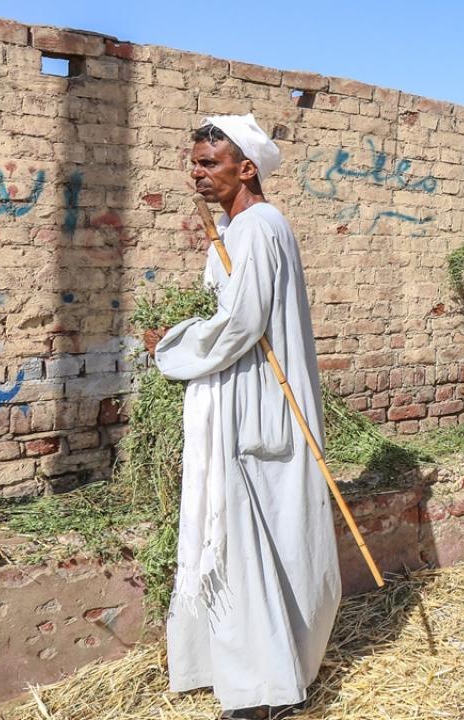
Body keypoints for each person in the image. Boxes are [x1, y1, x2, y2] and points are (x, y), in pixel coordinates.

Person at [150, 114, 341, 720]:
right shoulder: (247, 227)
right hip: (246, 395)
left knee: (248, 536)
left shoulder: (256, 229)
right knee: (266, 536)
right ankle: (267, 671)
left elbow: (240, 324)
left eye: (210, 163)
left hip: (253, 401)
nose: (197, 173)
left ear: (247, 168)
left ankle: (263, 690)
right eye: (196, 162)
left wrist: (172, 343)